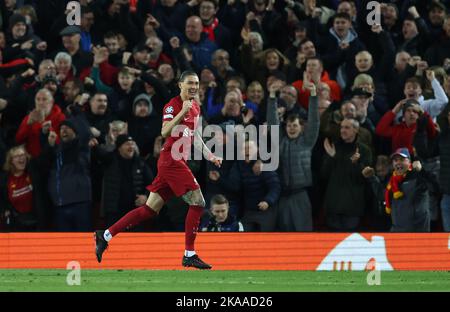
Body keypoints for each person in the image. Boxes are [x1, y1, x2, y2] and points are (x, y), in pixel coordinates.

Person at [94, 70, 222, 269]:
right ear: (180, 85)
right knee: (198, 202)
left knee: (149, 210)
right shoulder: (173, 105)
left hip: (177, 162)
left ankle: (106, 234)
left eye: (196, 84)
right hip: (172, 160)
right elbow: (164, 131)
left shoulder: (196, 107)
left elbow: (196, 137)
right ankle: (189, 253)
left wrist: (210, 155)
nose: (194, 87)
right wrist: (182, 112)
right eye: (190, 83)